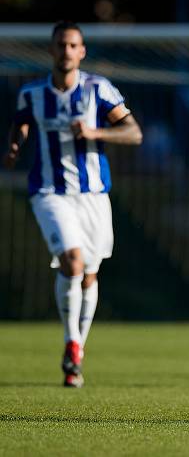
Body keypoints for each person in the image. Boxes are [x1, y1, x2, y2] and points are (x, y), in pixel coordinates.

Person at [2, 21, 143, 388]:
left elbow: (133, 132)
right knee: (73, 261)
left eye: (73, 45)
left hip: (93, 195)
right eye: (61, 45)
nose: (66, 51)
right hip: (49, 191)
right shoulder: (32, 93)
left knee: (90, 274)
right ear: (51, 50)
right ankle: (71, 342)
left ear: (82, 52)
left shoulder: (98, 89)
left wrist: (95, 131)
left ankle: (76, 352)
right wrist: (15, 145)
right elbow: (21, 123)